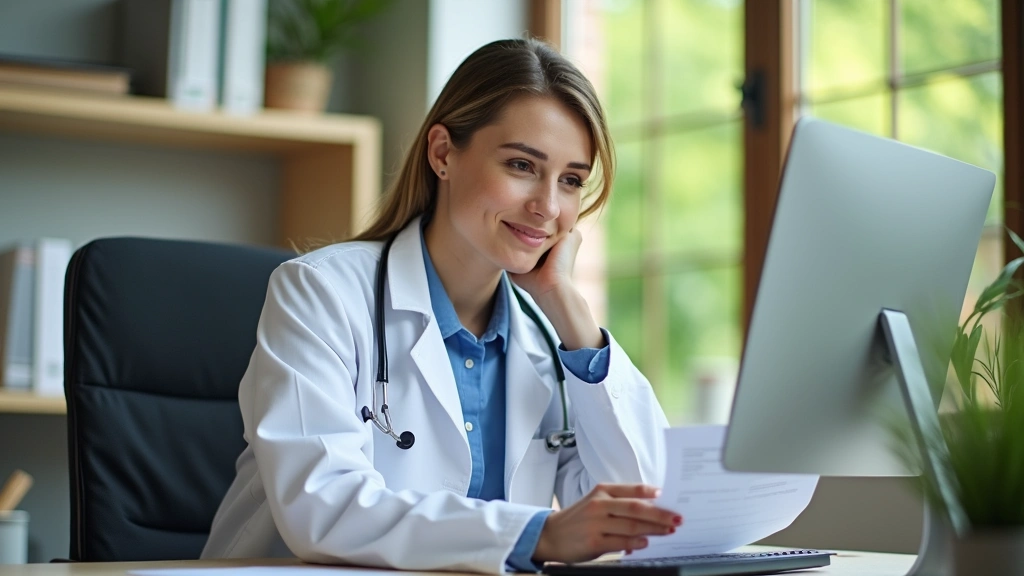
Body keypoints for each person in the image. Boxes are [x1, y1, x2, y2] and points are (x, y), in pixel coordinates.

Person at [202, 38, 677, 573]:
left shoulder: (549, 341)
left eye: (571, 180)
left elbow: (645, 506)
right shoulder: (321, 293)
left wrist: (571, 313)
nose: (547, 206)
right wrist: (536, 534)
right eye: (522, 165)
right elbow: (322, 506)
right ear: (443, 154)